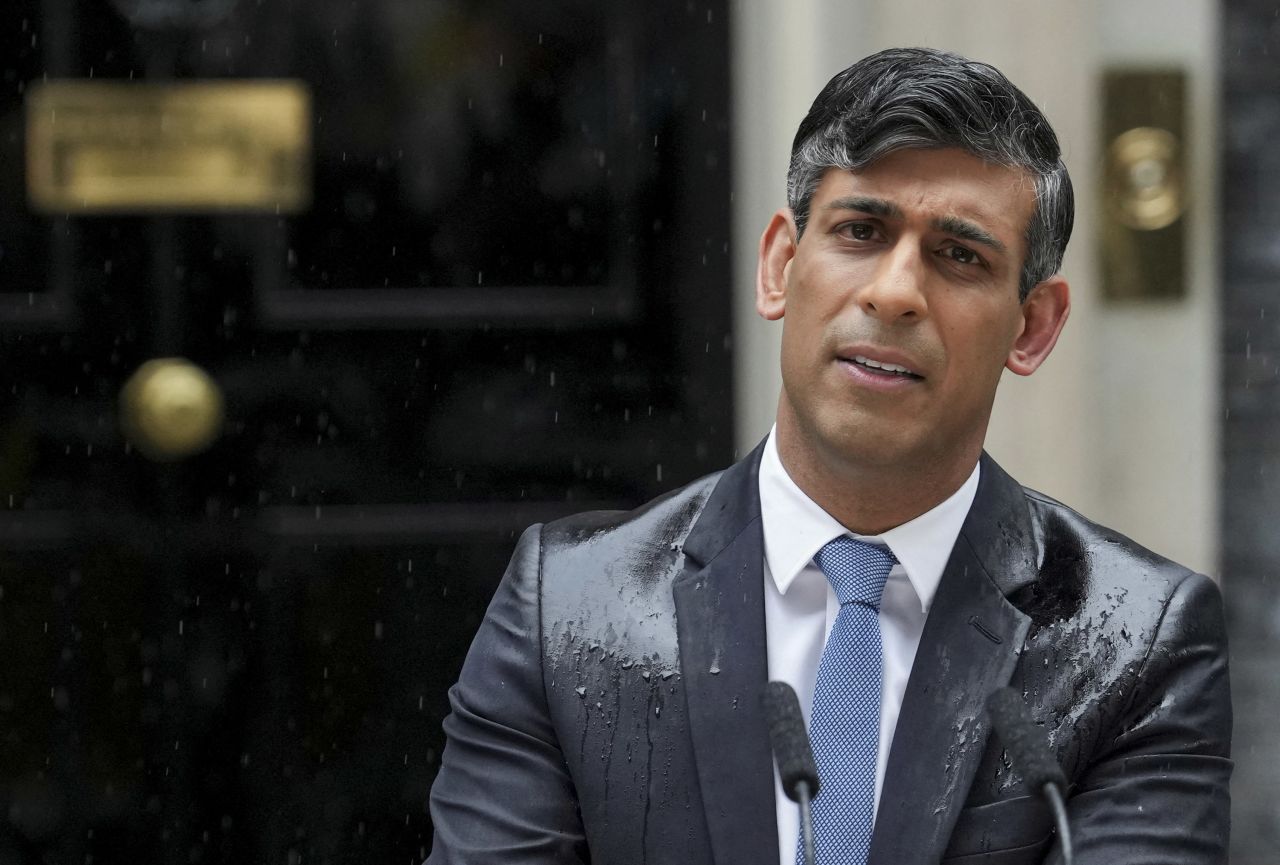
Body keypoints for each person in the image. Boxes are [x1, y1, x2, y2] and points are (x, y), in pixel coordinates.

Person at [425, 47, 1231, 865]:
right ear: (780, 266)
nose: (894, 291)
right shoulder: (567, 606)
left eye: (960, 255)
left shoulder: (1138, 641)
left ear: (1032, 327)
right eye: (860, 231)